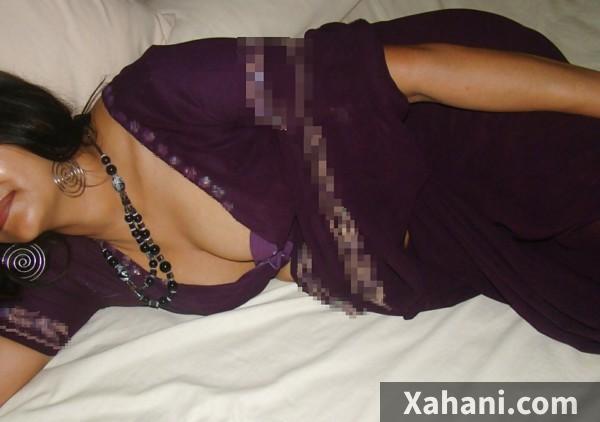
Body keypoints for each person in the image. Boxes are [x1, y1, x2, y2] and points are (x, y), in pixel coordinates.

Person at [1, 8, 599, 405]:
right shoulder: (65, 273)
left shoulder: (158, 96)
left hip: (444, 118)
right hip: (445, 240)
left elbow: (415, 70)